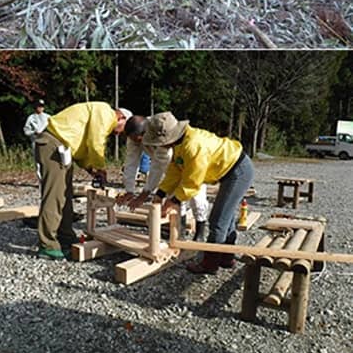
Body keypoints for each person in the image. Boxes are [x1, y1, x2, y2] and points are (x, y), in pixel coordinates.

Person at [143, 111, 254, 274]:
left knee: (217, 221)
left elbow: (192, 181)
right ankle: (226, 258)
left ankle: (209, 265)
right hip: (230, 172)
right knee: (226, 219)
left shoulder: (193, 145)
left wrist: (174, 200)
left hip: (238, 172)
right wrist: (160, 193)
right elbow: (175, 170)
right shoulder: (180, 144)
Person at [33, 103, 131, 260]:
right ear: (122, 117)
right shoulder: (105, 112)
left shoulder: (99, 117)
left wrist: (91, 169)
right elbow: (95, 142)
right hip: (53, 145)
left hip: (62, 148)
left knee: (65, 195)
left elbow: (81, 149)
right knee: (55, 196)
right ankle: (48, 245)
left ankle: (65, 237)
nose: (120, 134)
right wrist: (100, 168)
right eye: (124, 129)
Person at [116, 115, 209, 242]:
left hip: (190, 161)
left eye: (139, 140)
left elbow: (157, 166)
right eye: (135, 140)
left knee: (197, 196)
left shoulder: (160, 131)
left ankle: (200, 231)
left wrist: (146, 192)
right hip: (170, 166)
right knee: (173, 197)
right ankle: (178, 232)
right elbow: (131, 161)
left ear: (146, 133)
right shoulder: (133, 136)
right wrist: (129, 190)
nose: (137, 143)